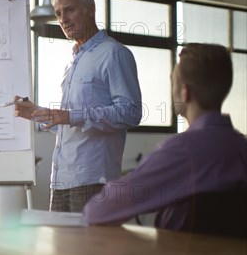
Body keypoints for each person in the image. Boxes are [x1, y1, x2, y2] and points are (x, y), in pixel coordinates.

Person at [83, 43, 247, 230]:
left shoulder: (183, 150)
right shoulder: (241, 146)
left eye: (174, 84)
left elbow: (98, 211)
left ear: (185, 93)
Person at [15, 0, 142, 212]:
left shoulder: (114, 53)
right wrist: (36, 113)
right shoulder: (73, 60)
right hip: (61, 179)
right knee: (62, 248)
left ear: (90, 9)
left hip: (92, 179)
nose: (63, 19)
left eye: (70, 10)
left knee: (88, 248)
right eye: (58, 13)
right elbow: (72, 124)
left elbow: (130, 112)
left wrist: (72, 116)